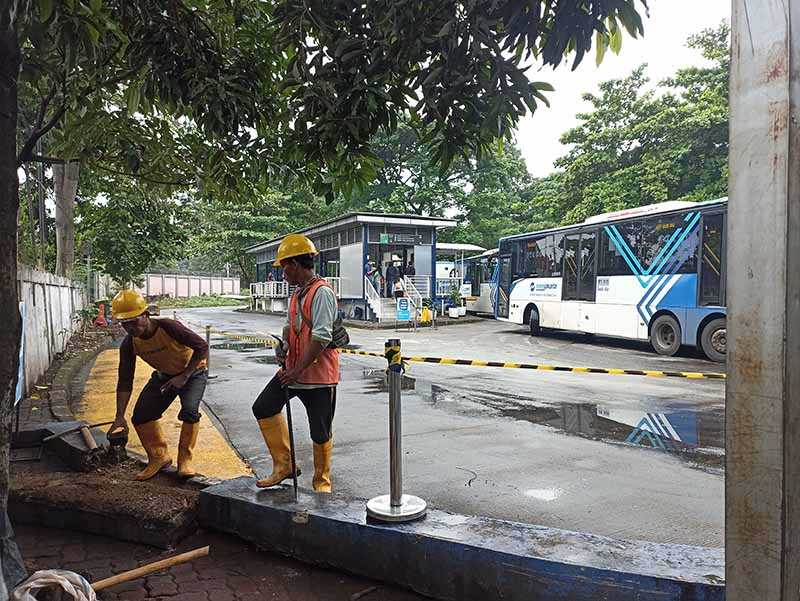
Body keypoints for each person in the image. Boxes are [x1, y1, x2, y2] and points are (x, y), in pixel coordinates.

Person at [251, 234, 339, 493]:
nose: (282, 274)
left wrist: (296, 370)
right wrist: (284, 346)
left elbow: (322, 336)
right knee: (264, 407)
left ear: (294, 265)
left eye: (283, 268)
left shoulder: (322, 292)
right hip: (292, 372)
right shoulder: (296, 294)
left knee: (320, 432)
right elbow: (292, 327)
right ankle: (284, 465)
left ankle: (322, 484)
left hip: (318, 377)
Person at [108, 290, 209, 481]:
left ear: (146, 314)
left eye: (134, 321)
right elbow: (125, 380)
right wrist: (119, 416)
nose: (130, 328)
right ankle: (159, 456)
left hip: (193, 372)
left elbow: (202, 346)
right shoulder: (129, 344)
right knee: (141, 415)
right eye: (124, 324)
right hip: (164, 377)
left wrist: (185, 376)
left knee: (189, 411)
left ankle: (185, 459)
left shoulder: (169, 327)